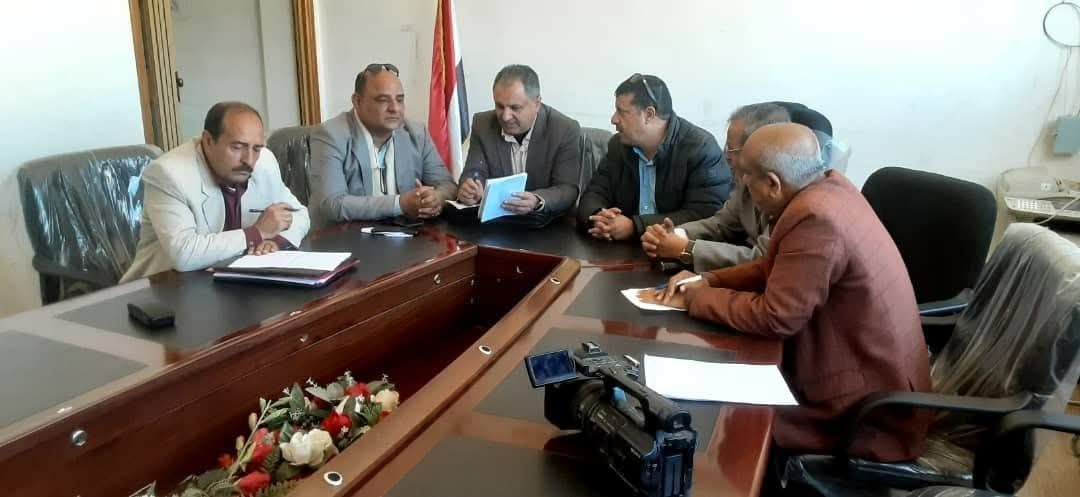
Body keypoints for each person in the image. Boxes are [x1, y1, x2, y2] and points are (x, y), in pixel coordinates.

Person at [648, 123, 931, 462]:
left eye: (746, 177)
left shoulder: (816, 217)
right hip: (866, 369)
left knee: (725, 426)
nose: (742, 184)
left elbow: (776, 317)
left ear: (773, 183)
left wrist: (697, 299)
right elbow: (775, 266)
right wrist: (709, 280)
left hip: (867, 410)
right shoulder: (830, 188)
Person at [122, 102, 310, 282]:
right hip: (165, 287)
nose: (249, 160)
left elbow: (300, 214)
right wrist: (257, 233)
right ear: (208, 141)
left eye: (257, 148)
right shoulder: (169, 174)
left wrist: (277, 240)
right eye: (237, 147)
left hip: (233, 281)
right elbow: (183, 254)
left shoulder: (264, 162)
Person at [577, 73, 730, 241]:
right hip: (621, 248)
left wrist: (635, 227)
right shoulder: (618, 146)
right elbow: (594, 194)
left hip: (676, 251)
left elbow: (704, 215)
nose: (614, 119)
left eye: (622, 112)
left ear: (649, 114)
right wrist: (599, 218)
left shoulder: (701, 148)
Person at [640, 103, 790, 270]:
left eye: (731, 149)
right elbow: (722, 223)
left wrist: (687, 249)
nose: (726, 156)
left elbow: (762, 259)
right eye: (726, 147)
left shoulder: (795, 199)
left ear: (757, 149)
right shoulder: (746, 181)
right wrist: (673, 235)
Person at [308, 63, 456, 227]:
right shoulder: (331, 135)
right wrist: (399, 204)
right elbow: (332, 204)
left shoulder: (416, 134)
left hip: (405, 233)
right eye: (383, 100)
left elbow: (448, 186)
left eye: (399, 100)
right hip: (344, 235)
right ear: (357, 101)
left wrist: (436, 198)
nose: (395, 108)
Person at [457, 64, 581, 225]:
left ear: (537, 104)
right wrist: (470, 188)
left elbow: (567, 189)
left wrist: (537, 200)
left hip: (546, 225)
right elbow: (474, 171)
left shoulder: (564, 129)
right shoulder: (483, 124)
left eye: (515, 108)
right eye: (499, 106)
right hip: (498, 223)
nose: (506, 116)